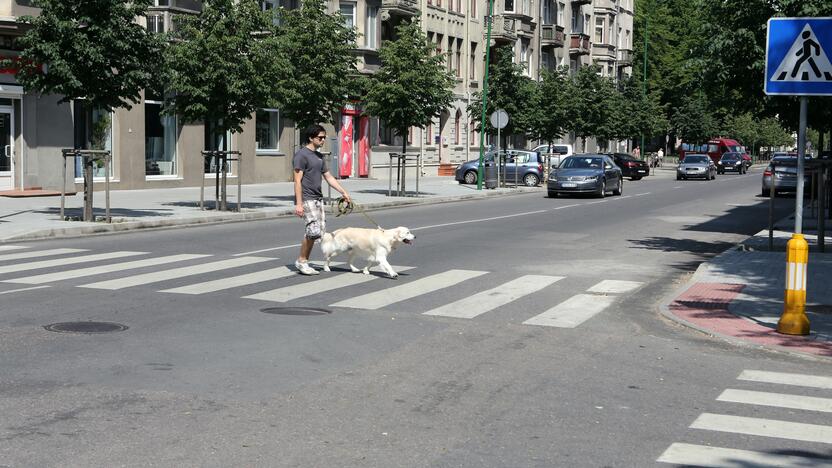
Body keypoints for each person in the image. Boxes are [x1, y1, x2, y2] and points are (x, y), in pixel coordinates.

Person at [293, 124, 351, 276]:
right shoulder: (301, 155)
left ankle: (303, 260)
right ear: (311, 138)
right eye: (320, 137)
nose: (323, 140)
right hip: (307, 198)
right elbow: (297, 180)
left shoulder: (319, 157)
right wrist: (299, 204)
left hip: (318, 198)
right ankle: (301, 261)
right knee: (313, 231)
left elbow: (328, 177)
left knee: (317, 233)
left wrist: (343, 191)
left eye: (324, 137)